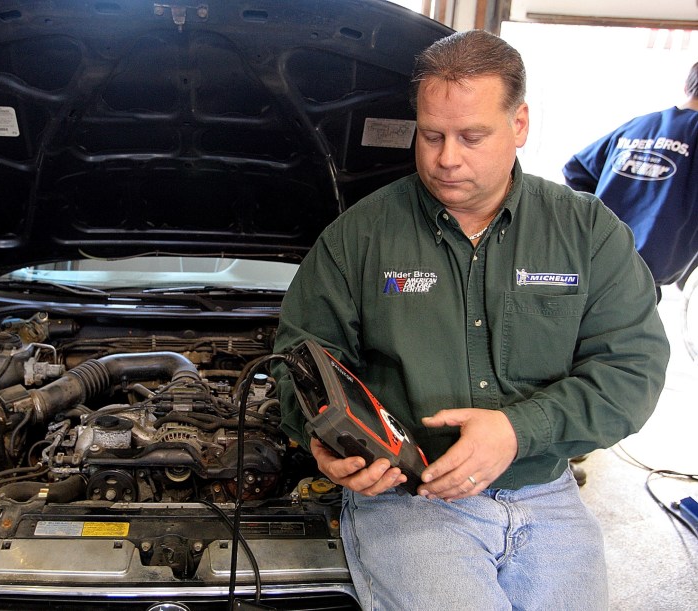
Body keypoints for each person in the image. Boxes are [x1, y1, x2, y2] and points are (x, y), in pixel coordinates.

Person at [273, 30, 669, 610]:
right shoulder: (359, 237)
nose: (446, 158)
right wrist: (323, 442)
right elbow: (302, 361)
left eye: (471, 136)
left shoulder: (588, 233)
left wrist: (518, 430)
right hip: (409, 499)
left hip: (546, 492)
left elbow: (632, 372)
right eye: (431, 135)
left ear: (520, 124)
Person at [563, 62, 698, 299]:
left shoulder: (641, 125)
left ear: (687, 86)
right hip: (635, 282)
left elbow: (577, 169)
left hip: (591, 262)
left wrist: (597, 220)